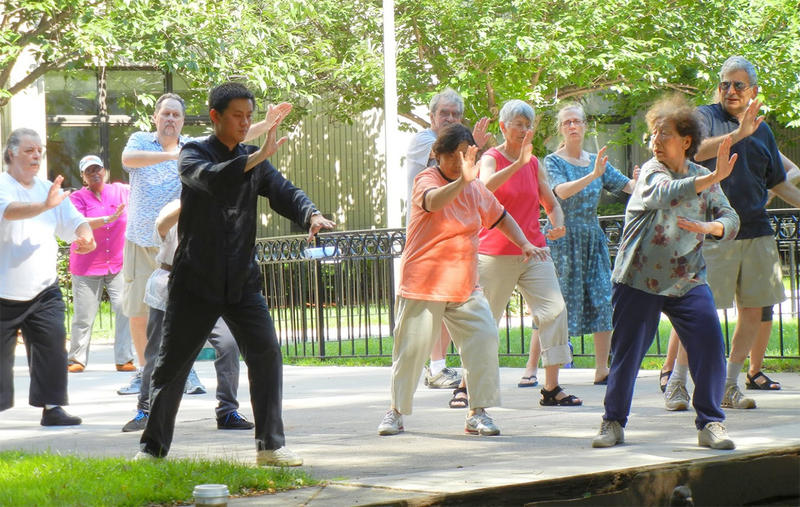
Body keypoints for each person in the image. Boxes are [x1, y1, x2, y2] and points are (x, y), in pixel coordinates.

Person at [136, 82, 334, 466]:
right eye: (237, 116)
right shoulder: (193, 153)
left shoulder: (252, 158)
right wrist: (256, 158)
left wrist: (310, 214)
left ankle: (270, 447)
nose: (245, 124)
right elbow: (211, 179)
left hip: (242, 281)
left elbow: (284, 191)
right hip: (195, 282)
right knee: (172, 366)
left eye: (249, 117)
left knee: (266, 355)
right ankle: (152, 450)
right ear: (215, 116)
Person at [591, 96, 740, 450]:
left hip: (687, 278)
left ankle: (711, 423)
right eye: (653, 134)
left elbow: (731, 217)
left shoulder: (703, 177)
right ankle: (613, 422)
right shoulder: (651, 172)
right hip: (639, 278)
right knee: (627, 355)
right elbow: (663, 194)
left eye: (664, 134)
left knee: (709, 344)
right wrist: (712, 178)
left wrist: (713, 227)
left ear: (686, 141)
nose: (655, 141)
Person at [377, 123, 536, 437]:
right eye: (453, 155)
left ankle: (478, 412)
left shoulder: (475, 188)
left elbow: (501, 217)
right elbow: (434, 201)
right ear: (437, 154)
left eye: (465, 155)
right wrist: (463, 180)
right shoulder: (426, 179)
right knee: (410, 351)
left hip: (464, 285)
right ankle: (395, 412)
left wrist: (525, 243)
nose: (459, 161)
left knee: (485, 339)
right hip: (423, 282)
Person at [118, 93, 271, 395]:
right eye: (165, 114)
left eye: (176, 115)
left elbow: (235, 135)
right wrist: (173, 155)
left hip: (179, 243)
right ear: (155, 117)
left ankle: (184, 372)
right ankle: (143, 372)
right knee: (139, 311)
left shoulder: (194, 146)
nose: (170, 119)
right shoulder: (140, 141)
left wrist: (267, 124)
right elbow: (127, 159)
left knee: (184, 311)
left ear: (183, 120)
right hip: (141, 240)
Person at [686, 56, 800, 407]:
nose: (731, 90)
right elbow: (695, 151)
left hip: (756, 230)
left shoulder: (763, 129)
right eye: (725, 84)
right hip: (713, 230)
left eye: (738, 85)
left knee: (754, 309)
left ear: (753, 90)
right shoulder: (705, 117)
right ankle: (677, 381)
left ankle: (729, 384)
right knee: (699, 310)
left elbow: (780, 183)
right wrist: (738, 134)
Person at [473, 99, 581, 409]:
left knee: (555, 310)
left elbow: (551, 203)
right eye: (518, 124)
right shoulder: (491, 158)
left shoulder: (533, 163)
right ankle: (469, 387)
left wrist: (557, 224)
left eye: (527, 125)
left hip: (534, 250)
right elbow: (484, 188)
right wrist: (517, 164)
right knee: (485, 321)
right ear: (503, 127)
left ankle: (551, 388)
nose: (524, 130)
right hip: (495, 252)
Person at [122, 200, 253, 432]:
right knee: (157, 352)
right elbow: (162, 226)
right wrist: (193, 198)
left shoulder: (220, 208)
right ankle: (145, 410)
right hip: (169, 286)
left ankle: (227, 411)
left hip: (207, 288)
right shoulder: (174, 206)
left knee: (228, 344)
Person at [0, 128, 96, 426]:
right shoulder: (2, 185)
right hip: (3, 290)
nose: (36, 155)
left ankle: (53, 408)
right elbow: (8, 211)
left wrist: (86, 235)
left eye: (39, 150)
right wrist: (44, 206)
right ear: (12, 153)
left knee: (52, 344)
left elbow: (74, 221)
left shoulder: (48, 189)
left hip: (43, 289)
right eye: (29, 150)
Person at [544, 103, 637, 385]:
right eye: (567, 122)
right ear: (561, 129)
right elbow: (561, 192)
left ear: (585, 126)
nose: (572, 126)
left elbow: (628, 187)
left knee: (602, 298)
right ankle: (535, 368)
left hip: (592, 238)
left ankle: (601, 369)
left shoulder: (597, 161)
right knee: (556, 306)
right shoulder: (553, 161)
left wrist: (642, 180)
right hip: (563, 238)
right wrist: (593, 176)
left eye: (577, 121)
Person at [404, 88, 490, 390]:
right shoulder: (424, 141)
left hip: (451, 240)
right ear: (432, 116)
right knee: (426, 314)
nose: (450, 118)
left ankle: (438, 367)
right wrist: (473, 146)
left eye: (456, 114)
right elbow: (447, 157)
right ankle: (428, 372)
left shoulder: (459, 148)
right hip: (425, 242)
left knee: (449, 306)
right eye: (444, 113)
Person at [67, 155, 134, 373]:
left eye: (97, 169)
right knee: (84, 315)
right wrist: (107, 219)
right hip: (86, 266)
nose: (94, 173)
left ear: (105, 171)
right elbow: (78, 222)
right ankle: (76, 359)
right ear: (83, 176)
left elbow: (142, 196)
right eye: (89, 171)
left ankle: (124, 358)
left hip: (117, 263)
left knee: (124, 309)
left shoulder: (121, 191)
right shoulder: (77, 198)